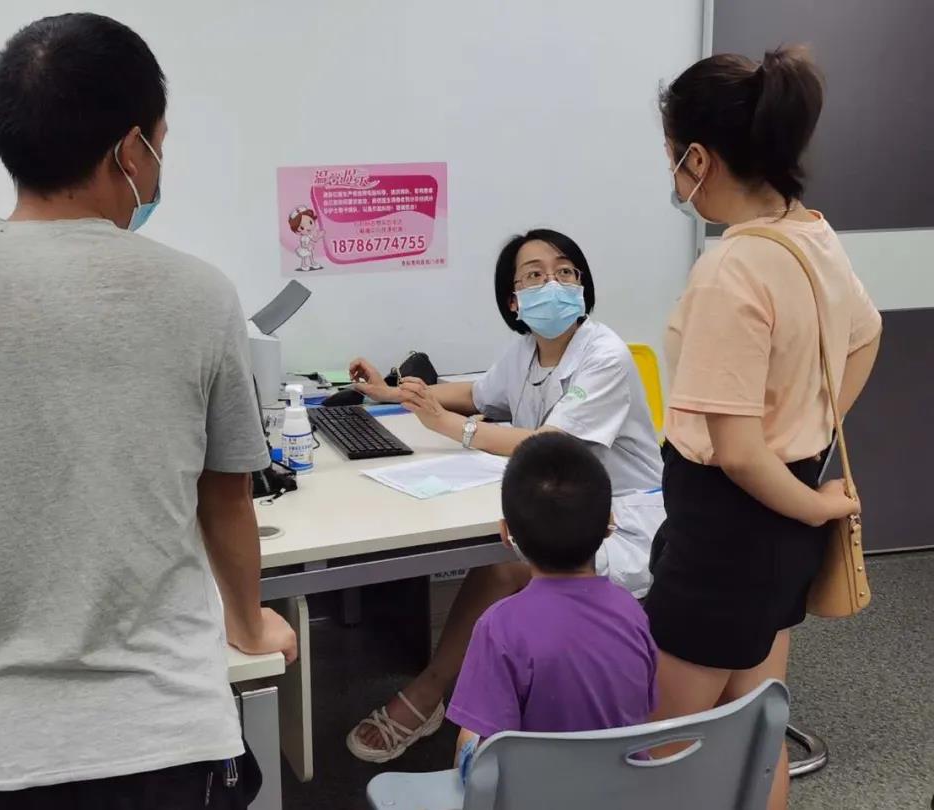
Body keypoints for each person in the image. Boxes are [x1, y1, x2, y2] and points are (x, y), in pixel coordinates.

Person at [0, 13, 296, 808]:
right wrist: (251, 623)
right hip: (168, 741)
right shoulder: (200, 296)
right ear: (130, 150)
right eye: (161, 144)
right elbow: (226, 495)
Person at [645, 46, 881, 810]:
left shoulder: (731, 269)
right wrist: (811, 431)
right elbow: (868, 334)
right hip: (782, 519)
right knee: (755, 731)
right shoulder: (810, 233)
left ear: (698, 159)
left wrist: (814, 504)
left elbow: (741, 455)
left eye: (672, 159)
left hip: (728, 526)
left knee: (667, 747)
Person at [346, 228, 664, 763]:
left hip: (614, 521)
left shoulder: (604, 355)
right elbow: (475, 393)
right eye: (534, 275)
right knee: (502, 561)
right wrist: (393, 393)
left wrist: (453, 427)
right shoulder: (525, 352)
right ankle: (457, 695)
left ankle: (432, 693)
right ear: (513, 301)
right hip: (558, 509)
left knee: (504, 566)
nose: (553, 283)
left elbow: (551, 445)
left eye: (565, 272)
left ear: (582, 286)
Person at [448, 432, 657, 781]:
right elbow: (643, 706)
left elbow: (487, 753)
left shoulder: (499, 625)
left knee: (470, 732)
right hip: (624, 789)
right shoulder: (632, 610)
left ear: (506, 533)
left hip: (532, 793)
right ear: (610, 525)